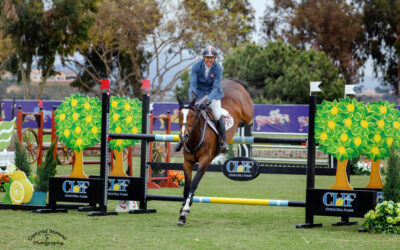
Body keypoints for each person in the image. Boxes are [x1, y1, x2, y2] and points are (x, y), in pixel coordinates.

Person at [175, 45, 228, 153]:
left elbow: (216, 86)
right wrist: (191, 98)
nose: (209, 60)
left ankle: (223, 142)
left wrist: (209, 100)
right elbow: (193, 84)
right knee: (191, 114)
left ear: (214, 58)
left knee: (217, 115)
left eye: (211, 58)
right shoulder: (196, 66)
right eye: (207, 57)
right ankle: (182, 140)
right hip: (198, 95)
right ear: (204, 58)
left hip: (214, 95)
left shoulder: (218, 68)